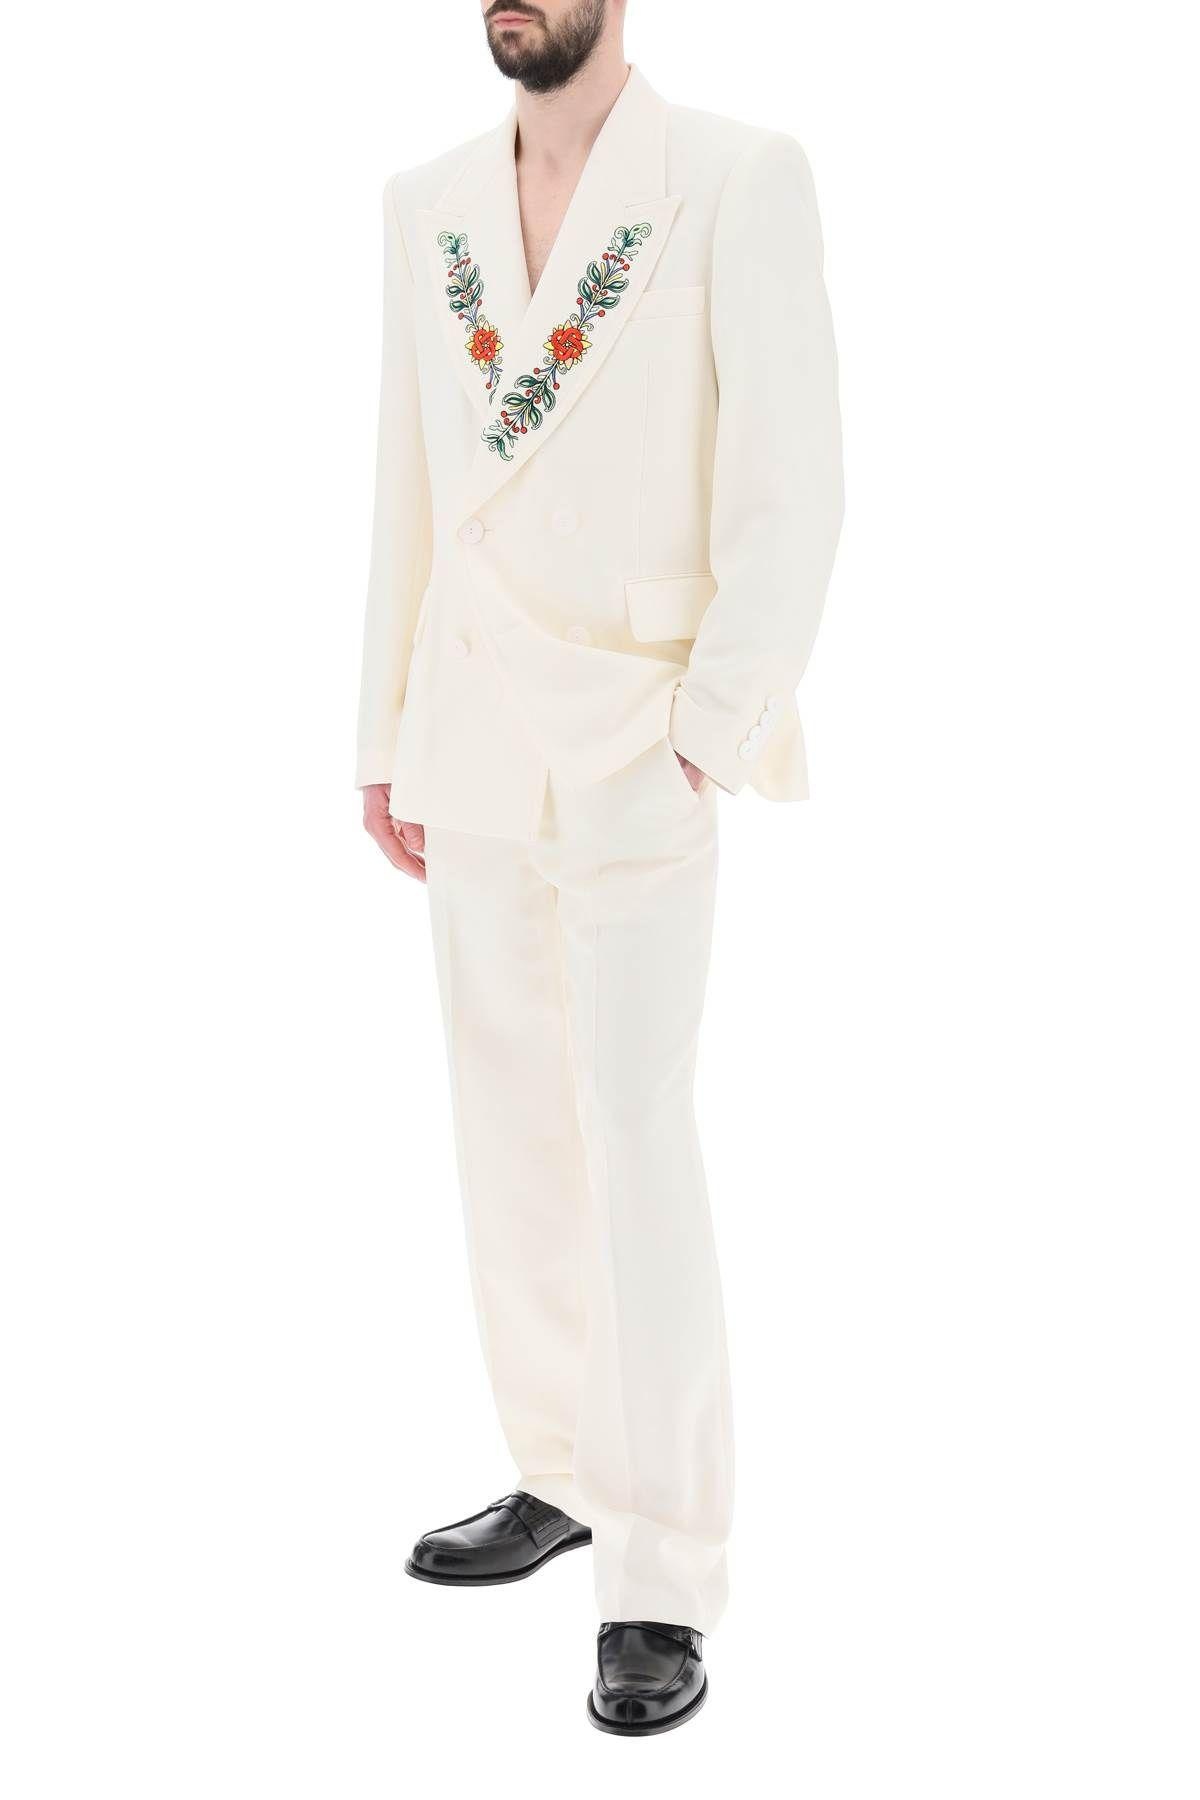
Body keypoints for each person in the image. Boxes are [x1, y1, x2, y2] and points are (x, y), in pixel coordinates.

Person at [356, 0, 842, 1736]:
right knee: (508, 1120)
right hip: (472, 723)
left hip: (640, 727)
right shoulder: (424, 201)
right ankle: (561, 1468)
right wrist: (383, 724)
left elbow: (794, 483)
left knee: (636, 1133)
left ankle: (660, 1570)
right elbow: (409, 480)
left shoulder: (735, 178)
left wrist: (716, 719)